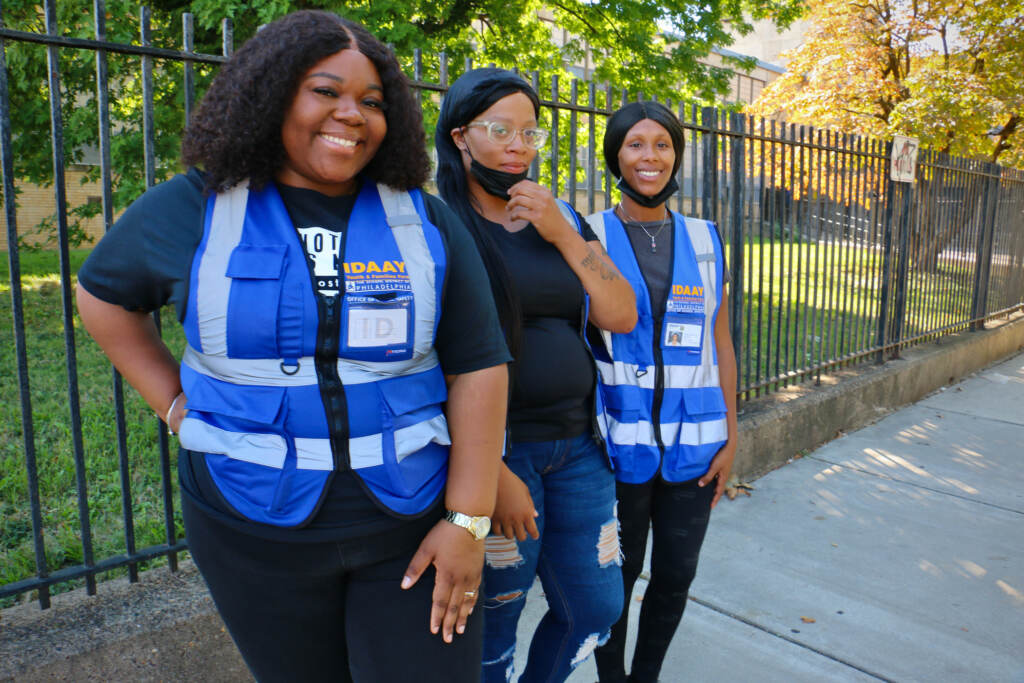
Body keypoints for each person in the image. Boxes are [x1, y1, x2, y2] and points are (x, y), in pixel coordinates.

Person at [75, 11, 510, 682]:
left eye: (372, 101)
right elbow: (102, 294)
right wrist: (173, 405)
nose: (352, 114)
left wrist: (468, 520)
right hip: (249, 525)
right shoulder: (195, 208)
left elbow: (479, 364)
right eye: (325, 91)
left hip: (409, 520)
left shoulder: (422, 219)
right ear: (273, 94)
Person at [434, 68, 637, 682]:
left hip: (579, 447)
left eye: (531, 132)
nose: (519, 145)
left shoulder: (562, 219)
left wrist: (560, 233)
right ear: (462, 137)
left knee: (597, 608)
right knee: (494, 616)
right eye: (502, 130)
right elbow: (422, 362)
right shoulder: (435, 225)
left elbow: (622, 313)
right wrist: (491, 474)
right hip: (496, 455)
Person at [587, 101, 738, 683]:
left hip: (694, 449)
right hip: (613, 450)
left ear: (676, 155)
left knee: (676, 577)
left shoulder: (705, 237)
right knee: (612, 583)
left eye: (662, 145)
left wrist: (731, 434)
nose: (649, 156)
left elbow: (719, 343)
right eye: (635, 144)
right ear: (616, 156)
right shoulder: (588, 233)